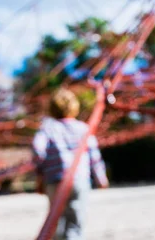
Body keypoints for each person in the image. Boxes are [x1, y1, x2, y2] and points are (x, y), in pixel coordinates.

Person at [32, 88, 109, 240]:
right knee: (75, 219)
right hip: (79, 179)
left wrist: (41, 172)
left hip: (55, 180)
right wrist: (101, 177)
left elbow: (37, 149)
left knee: (56, 219)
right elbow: (94, 155)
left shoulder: (48, 128)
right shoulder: (83, 128)